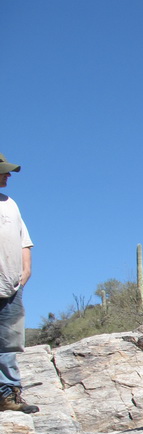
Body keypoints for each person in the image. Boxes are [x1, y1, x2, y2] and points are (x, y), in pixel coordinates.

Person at [0, 152, 39, 414]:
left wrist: (26, 270)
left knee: (8, 342)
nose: (8, 175)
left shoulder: (10, 204)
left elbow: (24, 240)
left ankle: (8, 394)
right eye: (3, 171)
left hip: (11, 285)